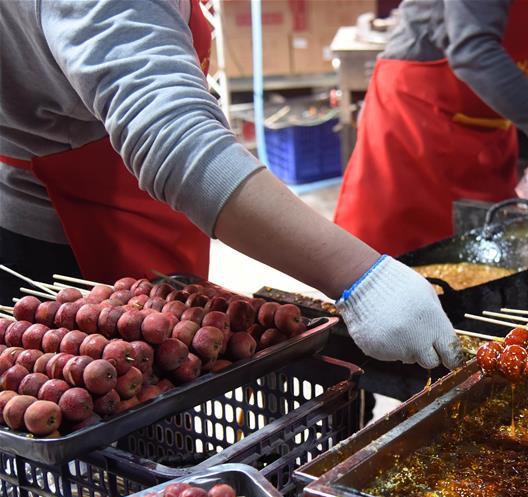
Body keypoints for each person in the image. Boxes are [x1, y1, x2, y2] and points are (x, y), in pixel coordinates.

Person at [0, 0, 460, 370]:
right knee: (107, 413)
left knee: (170, 372)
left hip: (148, 210)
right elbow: (174, 137)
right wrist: (362, 278)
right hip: (68, 235)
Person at [333, 0, 528, 258]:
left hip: (488, 131)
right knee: (384, 272)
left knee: (488, 270)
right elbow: (473, 50)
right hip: (414, 127)